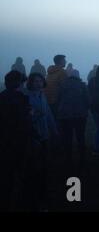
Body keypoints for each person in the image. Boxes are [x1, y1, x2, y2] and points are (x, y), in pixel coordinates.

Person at [23, 73, 57, 211]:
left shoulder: (42, 95)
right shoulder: (27, 97)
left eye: (40, 81)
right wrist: (35, 117)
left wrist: (54, 129)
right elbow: (26, 118)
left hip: (45, 135)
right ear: (31, 83)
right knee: (34, 166)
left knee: (43, 164)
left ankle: (42, 190)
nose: (38, 83)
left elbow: (48, 113)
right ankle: (33, 195)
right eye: (36, 81)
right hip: (33, 136)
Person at [0, 71, 32, 211]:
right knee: (22, 172)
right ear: (19, 83)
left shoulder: (1, 97)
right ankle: (22, 201)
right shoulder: (21, 98)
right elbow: (24, 121)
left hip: (4, 140)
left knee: (6, 173)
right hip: (19, 140)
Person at [56, 70, 89, 170]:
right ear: (78, 76)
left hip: (65, 115)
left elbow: (59, 98)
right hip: (80, 115)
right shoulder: (82, 85)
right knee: (80, 137)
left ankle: (68, 159)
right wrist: (86, 109)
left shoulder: (62, 85)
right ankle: (82, 159)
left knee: (67, 138)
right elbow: (87, 100)